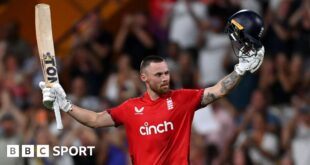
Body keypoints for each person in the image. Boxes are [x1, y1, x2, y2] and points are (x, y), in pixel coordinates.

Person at [39, 10, 265, 165]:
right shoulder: (130, 108)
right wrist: (66, 104)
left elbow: (219, 90)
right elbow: (95, 120)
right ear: (144, 78)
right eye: (159, 75)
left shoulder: (182, 99)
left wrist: (240, 70)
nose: (166, 77)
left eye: (166, 73)